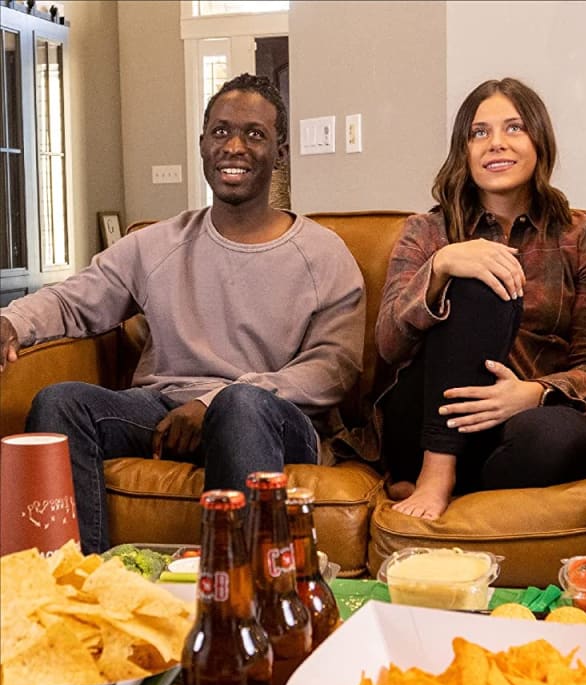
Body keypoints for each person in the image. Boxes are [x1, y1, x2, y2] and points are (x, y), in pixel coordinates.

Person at [0, 74, 364, 554]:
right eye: (220, 132)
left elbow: (333, 370)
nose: (234, 146)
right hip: (164, 411)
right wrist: (11, 321)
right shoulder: (158, 244)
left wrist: (219, 400)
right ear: (203, 144)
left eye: (254, 134)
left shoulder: (322, 253)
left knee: (239, 406)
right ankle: (81, 587)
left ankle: (240, 600)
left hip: (275, 417)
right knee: (61, 402)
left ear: (280, 152)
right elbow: (77, 298)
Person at [375, 77, 586, 520]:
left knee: (563, 436)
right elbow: (389, 345)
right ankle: (436, 473)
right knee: (476, 275)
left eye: (514, 128)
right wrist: (442, 266)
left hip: (516, 428)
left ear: (539, 142)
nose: (496, 144)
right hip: (425, 417)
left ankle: (465, 485)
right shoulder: (427, 231)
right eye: (479, 132)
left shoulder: (580, 237)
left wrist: (532, 393)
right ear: (463, 151)